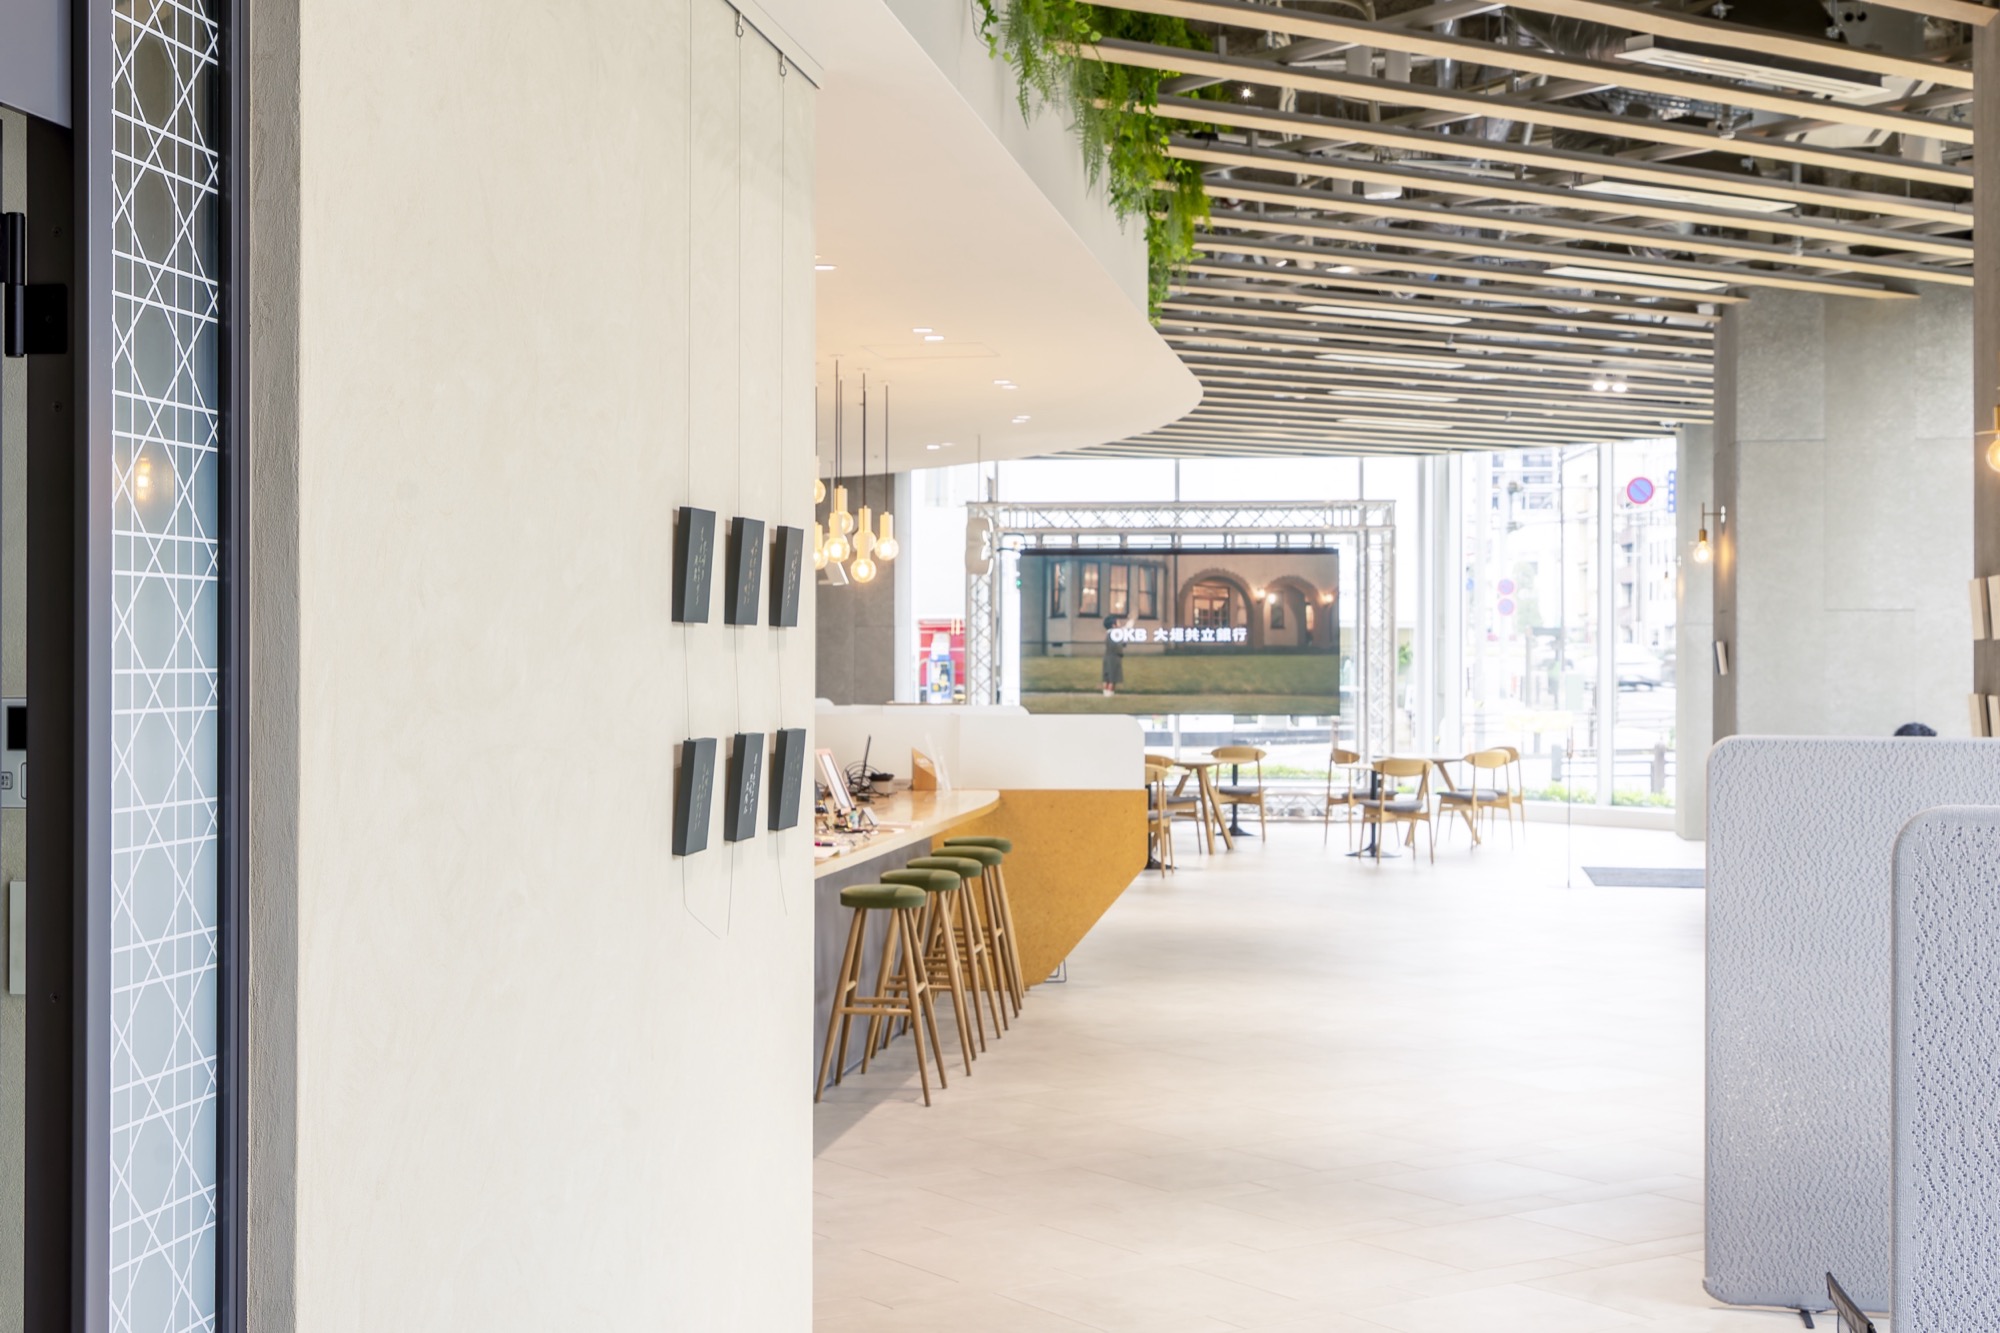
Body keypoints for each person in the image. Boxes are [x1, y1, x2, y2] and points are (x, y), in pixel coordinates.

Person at [1101, 614, 1125, 697]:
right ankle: (1109, 693)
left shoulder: (1109, 634)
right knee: (1113, 677)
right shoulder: (1114, 634)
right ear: (1113, 625)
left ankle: (1106, 692)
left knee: (1107, 676)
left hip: (1107, 656)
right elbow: (1119, 646)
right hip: (1114, 657)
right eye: (1117, 621)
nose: (1119, 622)